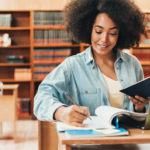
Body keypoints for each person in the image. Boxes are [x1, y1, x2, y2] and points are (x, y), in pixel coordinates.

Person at [34, 0, 150, 128]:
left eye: (112, 33)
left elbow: (140, 114)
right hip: (90, 142)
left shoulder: (132, 64)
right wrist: (61, 112)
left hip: (130, 141)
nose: (104, 39)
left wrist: (140, 108)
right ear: (89, 29)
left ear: (120, 34)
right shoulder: (73, 66)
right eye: (98, 31)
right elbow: (41, 98)